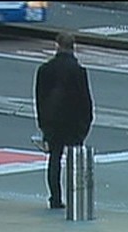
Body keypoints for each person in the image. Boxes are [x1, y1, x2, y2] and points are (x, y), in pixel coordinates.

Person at [34, 32, 93, 210]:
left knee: (54, 160)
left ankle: (55, 198)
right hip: (73, 123)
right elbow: (85, 101)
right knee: (75, 162)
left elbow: (39, 99)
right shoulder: (79, 71)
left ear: (57, 45)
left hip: (52, 122)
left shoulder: (45, 70)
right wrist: (85, 124)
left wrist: (43, 124)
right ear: (73, 47)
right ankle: (76, 197)